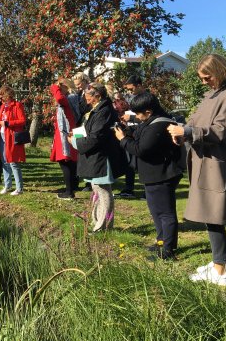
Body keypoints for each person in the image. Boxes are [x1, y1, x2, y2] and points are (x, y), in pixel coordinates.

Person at [167, 54, 226, 286]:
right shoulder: (213, 94)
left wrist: (188, 133)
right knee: (211, 215)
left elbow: (221, 130)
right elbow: (196, 122)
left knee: (212, 215)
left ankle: (220, 271)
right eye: (201, 79)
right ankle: (222, 262)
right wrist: (182, 132)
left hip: (217, 163)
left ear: (220, 71)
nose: (204, 82)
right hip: (205, 161)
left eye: (207, 77)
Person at [114, 92, 183, 260]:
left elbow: (141, 149)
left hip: (162, 174)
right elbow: (140, 135)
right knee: (156, 211)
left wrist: (123, 140)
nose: (137, 116)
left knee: (165, 213)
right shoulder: (151, 121)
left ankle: (167, 249)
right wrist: (128, 131)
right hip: (153, 174)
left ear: (149, 111)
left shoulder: (160, 125)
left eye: (138, 113)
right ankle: (161, 242)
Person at [68, 83, 125, 233]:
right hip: (94, 156)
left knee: (103, 190)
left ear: (97, 96)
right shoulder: (96, 108)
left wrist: (75, 142)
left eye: (88, 95)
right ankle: (97, 221)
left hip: (101, 157)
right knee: (96, 189)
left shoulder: (104, 111)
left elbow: (96, 137)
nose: (85, 98)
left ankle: (104, 226)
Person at [0, 85, 26, 195]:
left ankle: (19, 188)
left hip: (11, 136)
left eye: (1, 98)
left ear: (7, 95)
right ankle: (7, 185)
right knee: (4, 161)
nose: (0, 100)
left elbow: (22, 120)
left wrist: (8, 123)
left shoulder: (17, 105)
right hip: (1, 136)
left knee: (13, 162)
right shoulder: (2, 107)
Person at [117, 74, 147, 198]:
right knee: (129, 162)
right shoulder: (131, 98)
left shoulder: (148, 98)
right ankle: (129, 189)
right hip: (131, 132)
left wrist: (133, 117)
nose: (130, 92)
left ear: (139, 85)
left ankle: (147, 191)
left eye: (131, 89)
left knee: (143, 163)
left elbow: (149, 118)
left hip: (143, 133)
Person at [50, 79, 78, 200]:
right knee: (68, 161)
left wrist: (54, 87)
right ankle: (70, 188)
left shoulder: (70, 97)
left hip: (66, 132)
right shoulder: (71, 97)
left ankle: (69, 191)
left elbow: (60, 99)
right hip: (65, 131)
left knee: (65, 161)